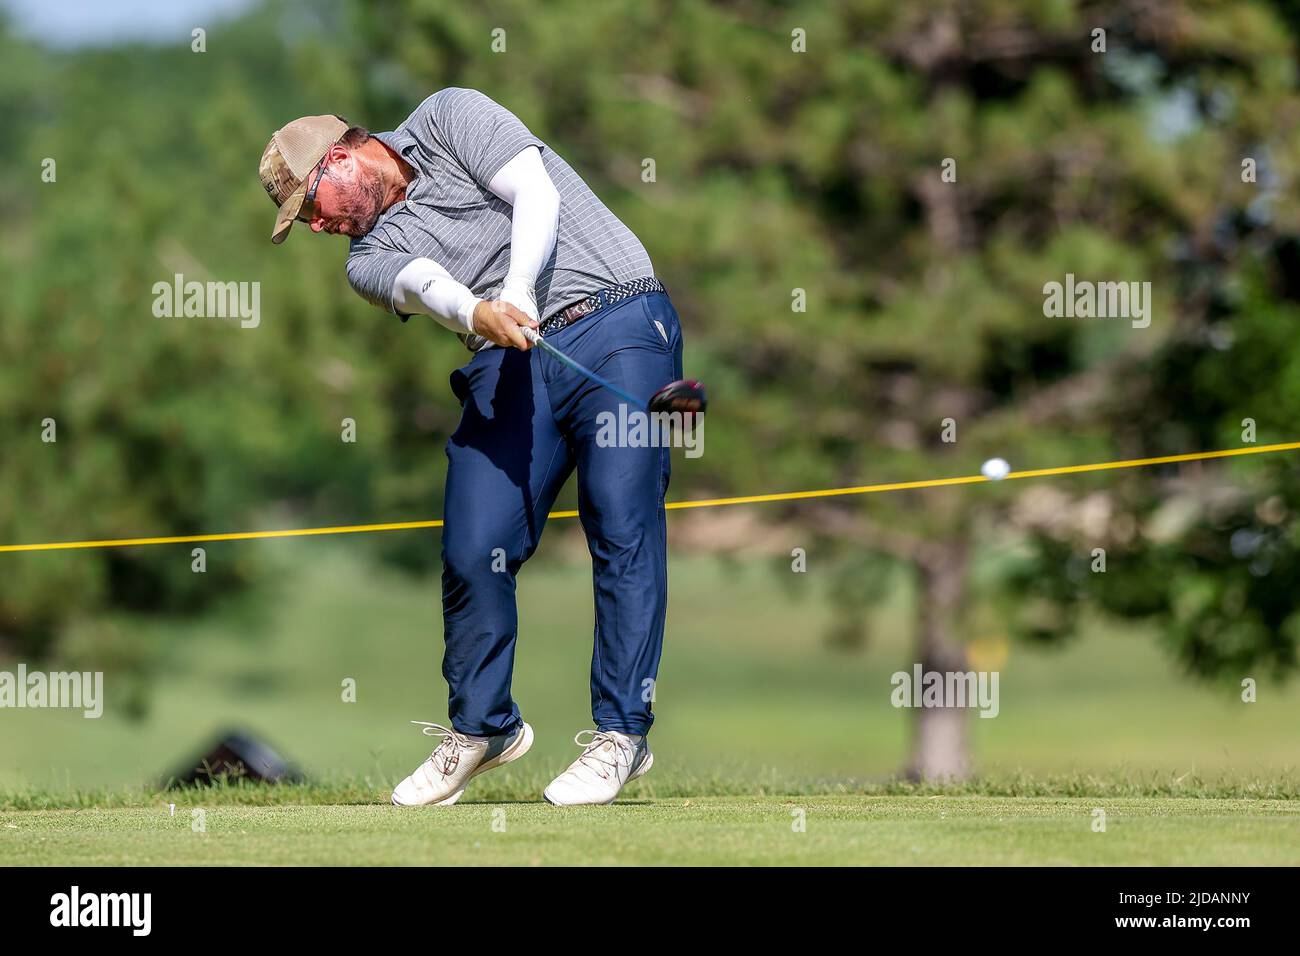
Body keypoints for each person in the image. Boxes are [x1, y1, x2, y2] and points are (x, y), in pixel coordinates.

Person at [259, 88, 682, 806]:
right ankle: (484, 728)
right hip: (509, 353)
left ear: (341, 156)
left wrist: (514, 290)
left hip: (620, 319)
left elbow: (536, 193)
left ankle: (620, 735)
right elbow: (427, 286)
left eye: (312, 205)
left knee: (620, 518)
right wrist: (483, 311)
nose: (318, 226)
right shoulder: (367, 259)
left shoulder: (449, 116)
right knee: (473, 544)